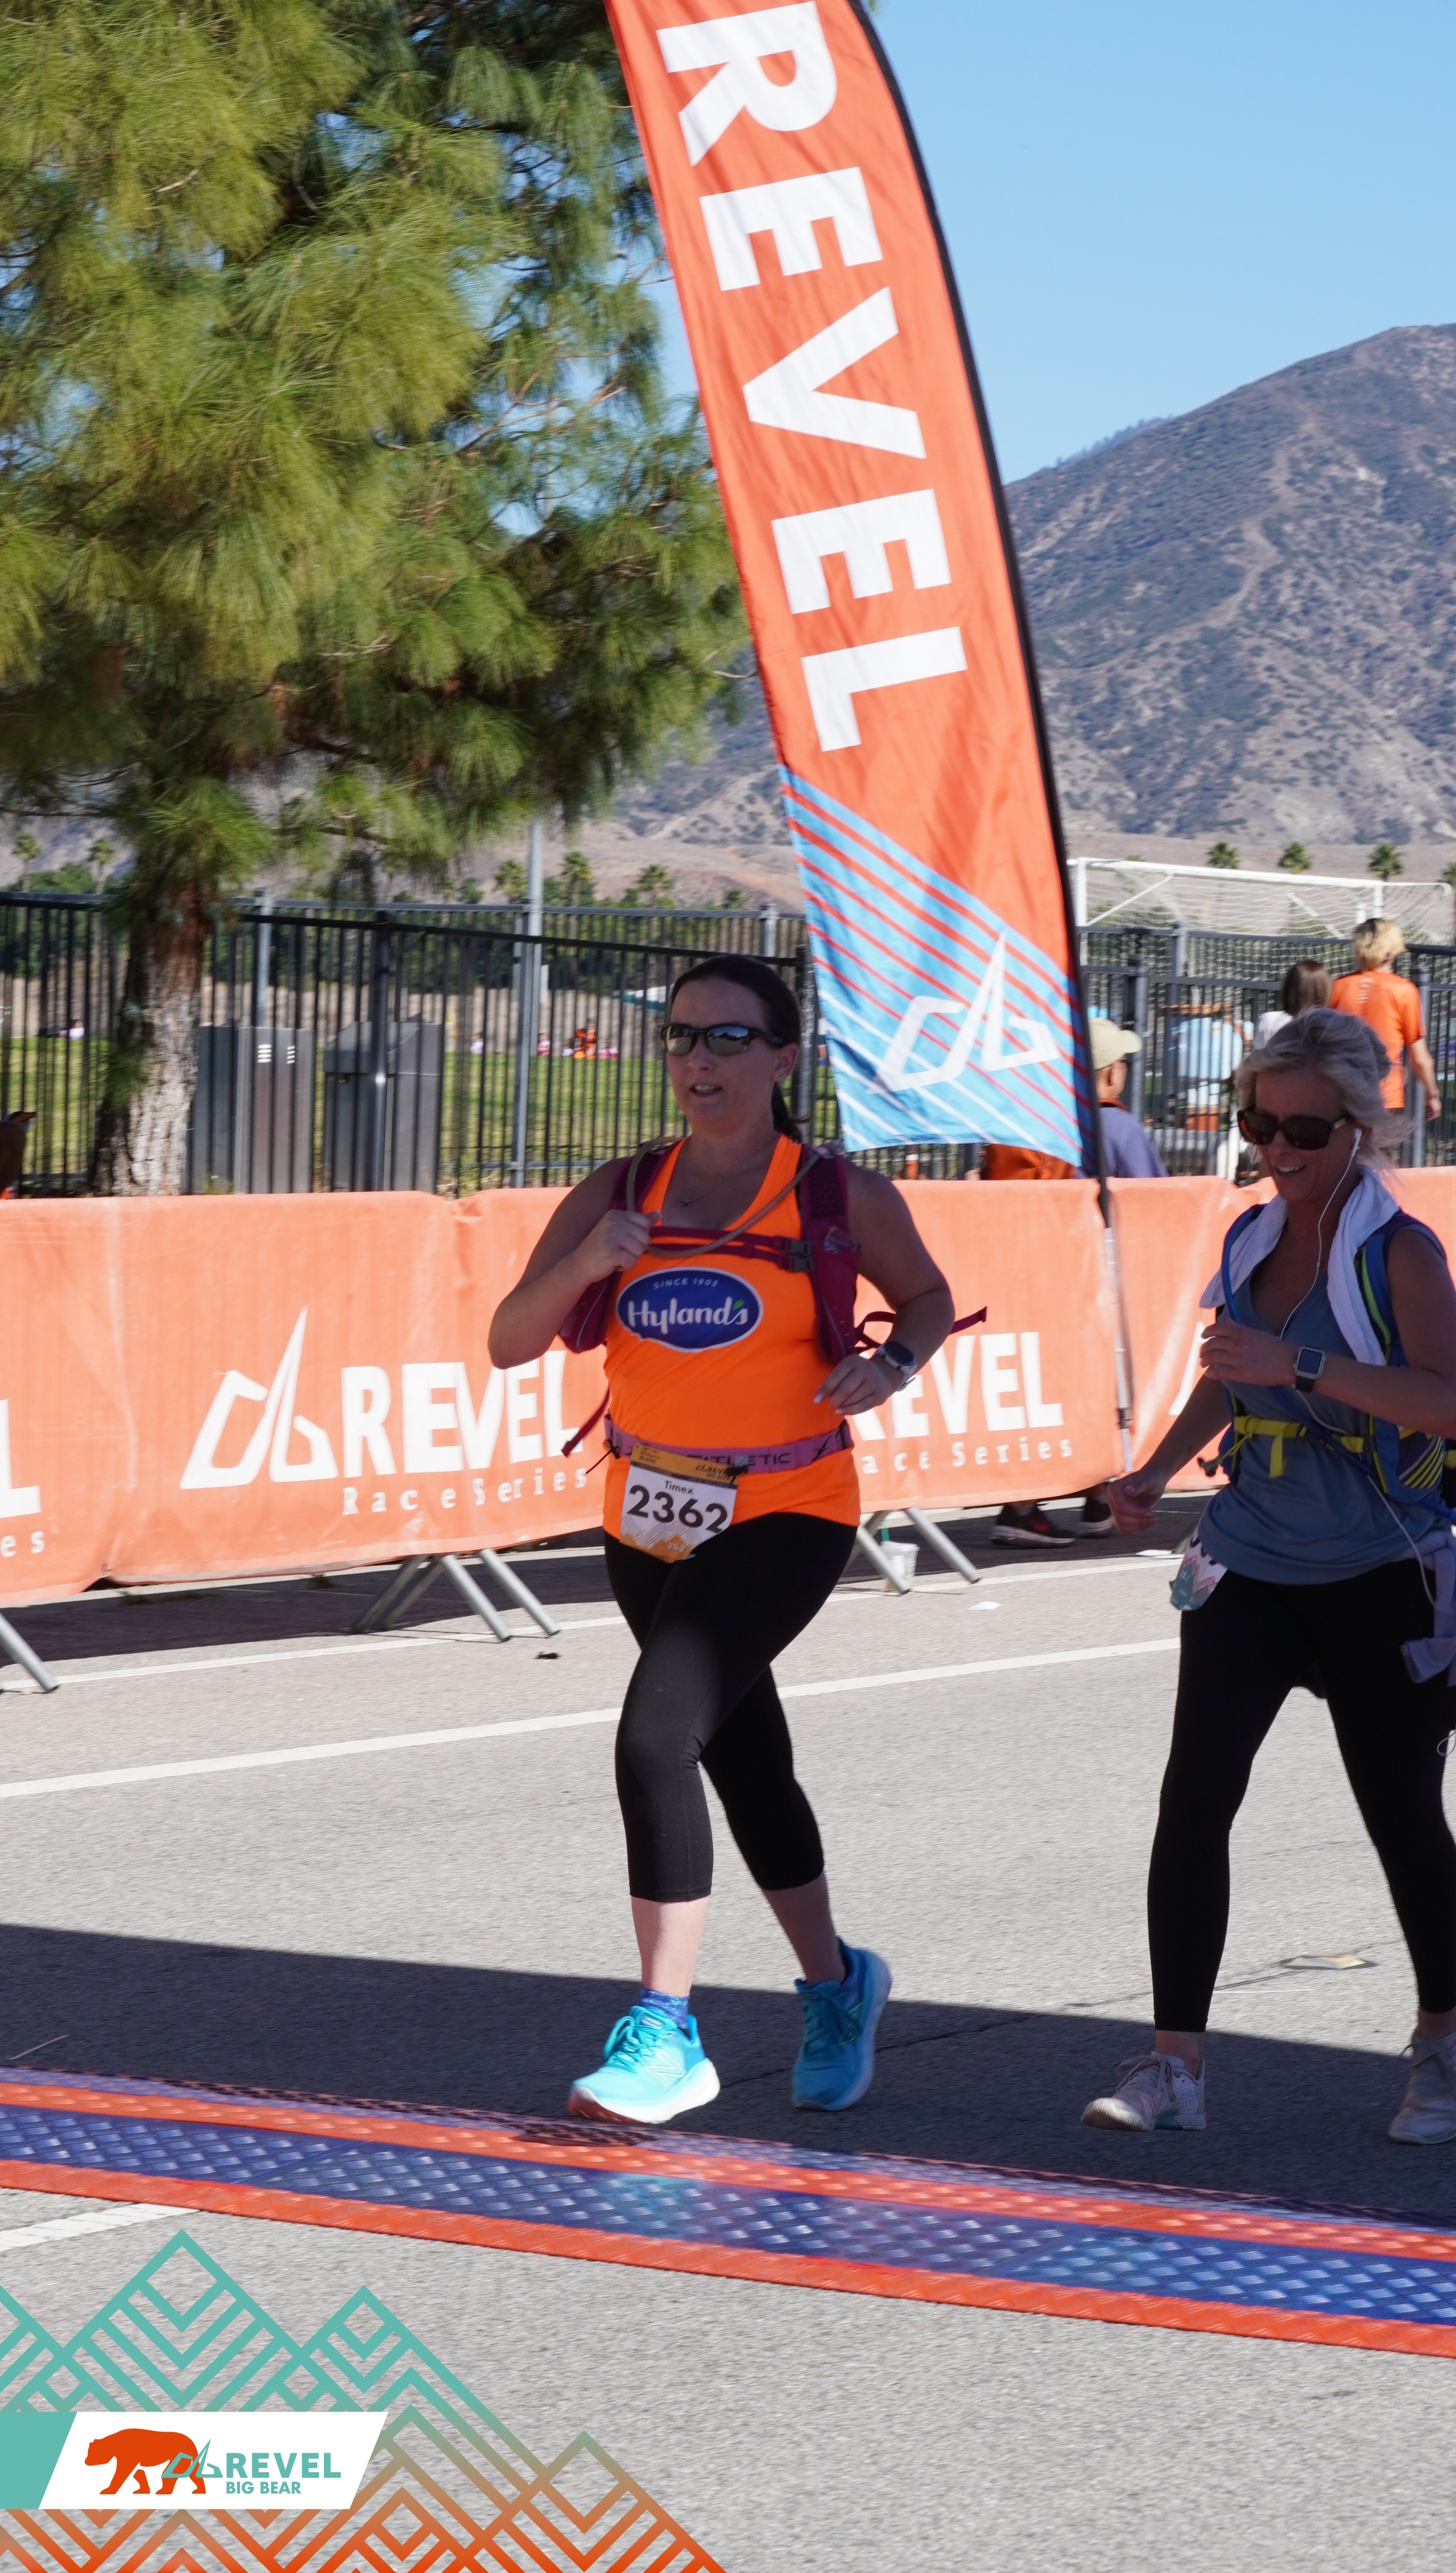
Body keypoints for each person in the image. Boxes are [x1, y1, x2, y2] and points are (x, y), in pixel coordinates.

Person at [488, 955, 954, 2126]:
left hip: (791, 1508)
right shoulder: (621, 1188)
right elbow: (507, 1339)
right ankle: (839, 1985)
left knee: (656, 1738)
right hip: (646, 1512)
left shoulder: (834, 1193)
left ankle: (665, 2032)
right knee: (745, 1764)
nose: (699, 1059)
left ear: (785, 1057)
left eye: (729, 1038)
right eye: (682, 1036)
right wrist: (589, 1259)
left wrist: (893, 1364)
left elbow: (930, 1298)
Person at [1083, 1007, 1456, 2144]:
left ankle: (1442, 2046)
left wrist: (1304, 1362)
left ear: (1360, 1129)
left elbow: (1445, 1403)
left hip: (1383, 1569)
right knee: (1195, 1798)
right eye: (1259, 1124)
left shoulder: (1401, 1253)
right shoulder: (1251, 1233)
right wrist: (1152, 1470)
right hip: (1248, 1557)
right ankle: (1174, 2067)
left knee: (1401, 1814)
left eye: (1303, 1130)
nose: (1277, 1149)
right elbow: (1229, 1370)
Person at [990, 1019, 1164, 1549]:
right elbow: (1159, 1197)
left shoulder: (1035, 1124)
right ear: (1110, 1073)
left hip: (1032, 1273)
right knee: (1101, 1386)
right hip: (1098, 1280)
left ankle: (1090, 1499)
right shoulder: (1117, 1127)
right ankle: (1033, 1505)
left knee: (1058, 1386)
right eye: (1123, 1064)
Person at [1331, 919, 1439, 1124]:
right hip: (1385, 1092)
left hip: (1341, 1091)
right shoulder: (1403, 990)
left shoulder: (1336, 987)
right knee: (1380, 1144)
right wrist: (1432, 1094)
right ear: (1391, 951)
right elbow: (1419, 1056)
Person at [1090, 1019, 1167, 1178]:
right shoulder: (1122, 1128)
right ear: (1113, 1072)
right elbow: (1150, 1189)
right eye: (1124, 1062)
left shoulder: (1054, 1121)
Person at [1252, 958, 1332, 1054]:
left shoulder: (1268, 1021)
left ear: (1289, 986)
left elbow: (1259, 1057)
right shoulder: (1332, 1028)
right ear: (1325, 990)